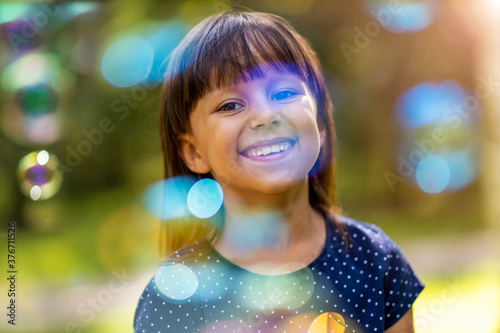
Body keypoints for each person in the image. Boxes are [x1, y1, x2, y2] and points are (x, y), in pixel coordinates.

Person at [134, 11, 424, 333]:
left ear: (321, 126)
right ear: (194, 152)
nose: (266, 115)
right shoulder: (173, 299)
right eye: (230, 105)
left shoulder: (374, 259)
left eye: (284, 93)